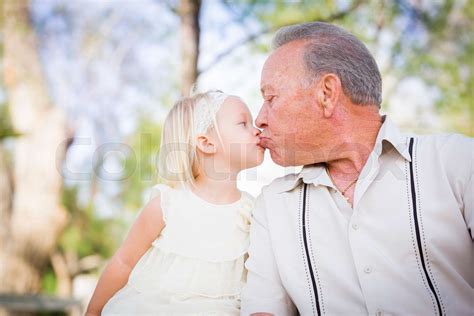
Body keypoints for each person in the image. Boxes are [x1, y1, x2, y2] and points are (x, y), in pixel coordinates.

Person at [241, 21, 473, 316]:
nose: (259, 119)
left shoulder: (459, 162)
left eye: (270, 98)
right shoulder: (272, 207)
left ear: (326, 93)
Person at [86, 90, 264, 315]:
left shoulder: (252, 212)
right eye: (243, 123)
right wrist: (92, 312)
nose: (257, 129)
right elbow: (124, 262)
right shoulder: (167, 205)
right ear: (206, 143)